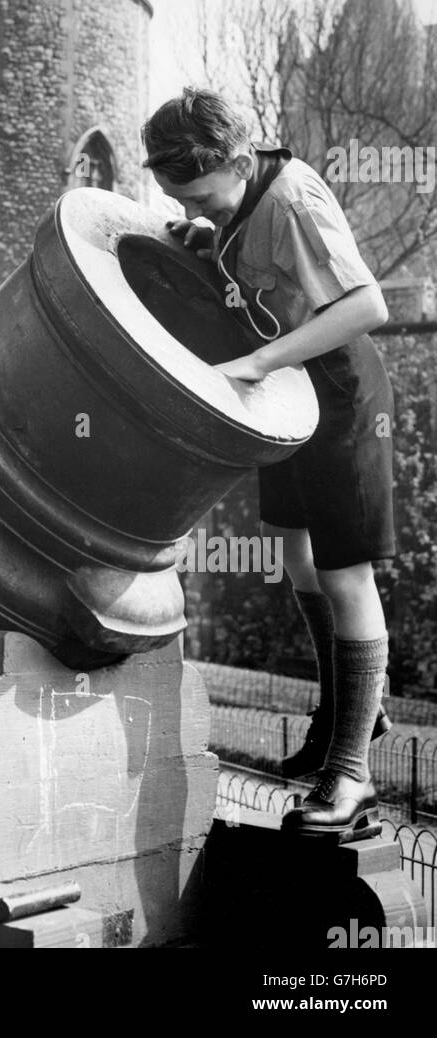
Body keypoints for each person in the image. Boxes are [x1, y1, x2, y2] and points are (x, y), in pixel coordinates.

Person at [141, 87, 393, 842]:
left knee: (348, 574)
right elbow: (251, 260)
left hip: (341, 391)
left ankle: (351, 777)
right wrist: (207, 238)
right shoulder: (242, 200)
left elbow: (366, 306)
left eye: (207, 199)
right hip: (292, 393)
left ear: (241, 161)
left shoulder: (291, 200)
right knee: (298, 553)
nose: (205, 211)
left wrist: (259, 358)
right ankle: (356, 711)